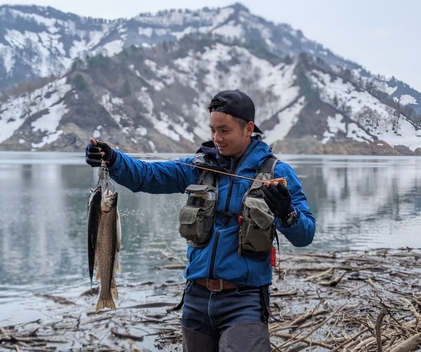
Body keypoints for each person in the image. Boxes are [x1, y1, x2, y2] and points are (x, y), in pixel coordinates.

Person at [85, 89, 315, 352]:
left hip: (245, 300)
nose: (216, 138)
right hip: (195, 298)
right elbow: (147, 175)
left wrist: (288, 214)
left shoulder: (276, 173)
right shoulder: (199, 167)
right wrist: (112, 160)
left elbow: (306, 234)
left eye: (224, 130)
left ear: (248, 128)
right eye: (213, 130)